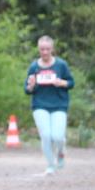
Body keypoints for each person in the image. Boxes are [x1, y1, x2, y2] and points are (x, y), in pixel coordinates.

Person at [24, 36, 74, 175]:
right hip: (40, 105)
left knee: (58, 137)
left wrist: (61, 82)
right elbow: (27, 90)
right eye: (42, 49)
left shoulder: (61, 65)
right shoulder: (34, 66)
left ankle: (61, 152)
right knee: (46, 136)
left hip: (59, 104)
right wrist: (31, 85)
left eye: (47, 49)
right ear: (38, 49)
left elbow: (71, 83)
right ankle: (50, 165)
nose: (44, 52)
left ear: (52, 49)